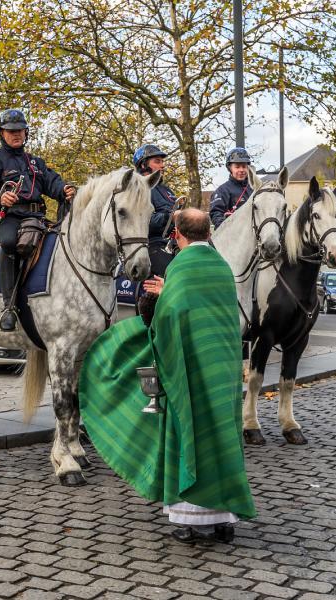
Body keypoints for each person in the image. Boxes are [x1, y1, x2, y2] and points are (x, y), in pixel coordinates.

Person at [79, 208, 255, 546]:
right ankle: (224, 521)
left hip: (188, 372)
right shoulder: (221, 267)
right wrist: (170, 289)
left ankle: (193, 522)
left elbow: (170, 319)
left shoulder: (181, 267)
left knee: (189, 432)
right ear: (209, 232)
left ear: (177, 235)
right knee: (221, 438)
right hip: (221, 372)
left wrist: (163, 297)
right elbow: (212, 310)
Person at [0, 108, 75, 331]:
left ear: (26, 132)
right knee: (9, 243)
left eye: (19, 130)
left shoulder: (35, 162)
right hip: (11, 218)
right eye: (11, 131)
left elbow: (52, 182)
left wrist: (64, 190)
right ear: (2, 133)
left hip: (37, 217)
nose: (16, 134)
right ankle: (9, 306)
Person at [133, 144, 179, 278]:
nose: (162, 165)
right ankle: (148, 298)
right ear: (143, 165)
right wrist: (170, 217)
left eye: (163, 161)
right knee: (172, 274)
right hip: (152, 244)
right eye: (157, 161)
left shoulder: (167, 190)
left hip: (176, 241)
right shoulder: (138, 189)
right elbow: (142, 220)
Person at [209, 148, 253, 229]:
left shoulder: (254, 189)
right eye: (237, 167)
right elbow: (216, 214)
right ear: (230, 168)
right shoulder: (222, 191)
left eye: (244, 166)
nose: (241, 170)